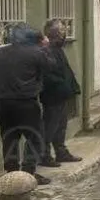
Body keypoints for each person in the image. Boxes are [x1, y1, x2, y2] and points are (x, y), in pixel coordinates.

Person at [0, 23, 54, 185]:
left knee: (9, 137)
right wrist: (45, 47)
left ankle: (12, 173)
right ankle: (28, 172)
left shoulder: (1, 52)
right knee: (35, 137)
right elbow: (51, 67)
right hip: (26, 103)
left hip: (3, 103)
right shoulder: (36, 53)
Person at [38, 19, 82, 168]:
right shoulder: (46, 51)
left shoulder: (57, 49)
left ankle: (61, 152)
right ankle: (44, 155)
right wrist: (62, 84)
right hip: (52, 96)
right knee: (50, 126)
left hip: (60, 94)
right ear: (54, 33)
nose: (64, 34)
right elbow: (48, 75)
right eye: (62, 31)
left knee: (61, 125)